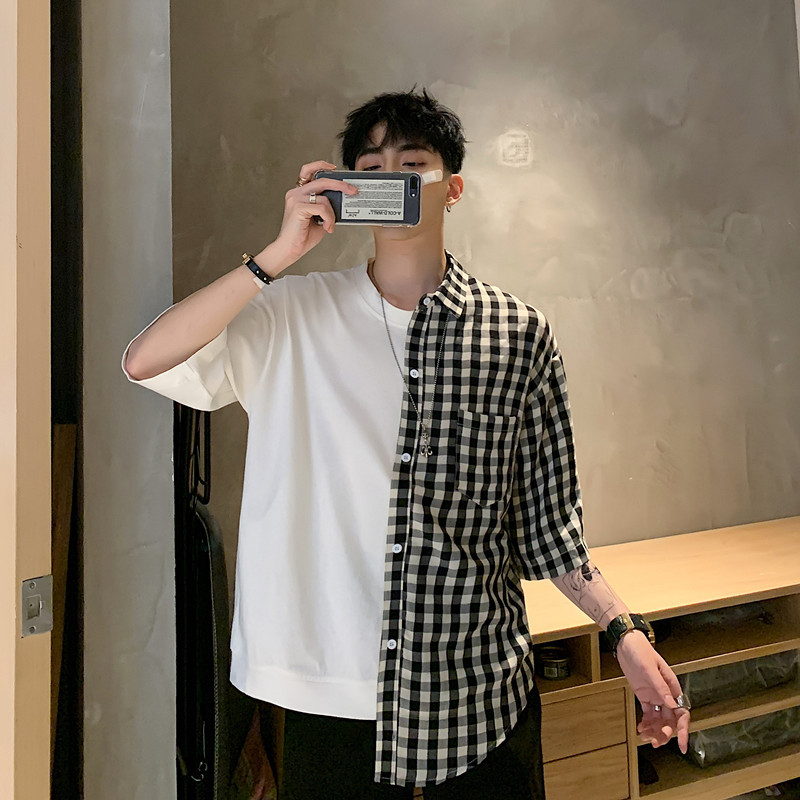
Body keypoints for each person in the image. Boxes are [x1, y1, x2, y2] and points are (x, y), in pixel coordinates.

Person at [122, 88, 691, 799]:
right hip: (325, 687)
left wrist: (623, 631)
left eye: (412, 164)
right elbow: (144, 361)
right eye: (370, 168)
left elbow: (548, 528)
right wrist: (277, 254)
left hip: (478, 682)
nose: (390, 178)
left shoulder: (515, 332)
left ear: (452, 189)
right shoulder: (290, 313)